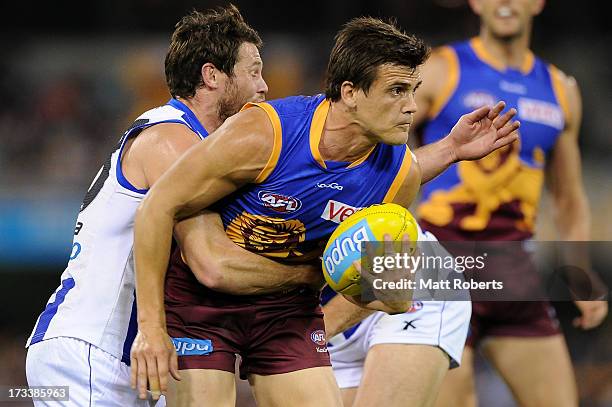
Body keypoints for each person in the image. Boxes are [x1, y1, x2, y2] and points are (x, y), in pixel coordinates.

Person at [130, 16, 520, 406]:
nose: (412, 108)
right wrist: (150, 327)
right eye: (397, 91)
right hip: (202, 306)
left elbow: (384, 297)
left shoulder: (399, 175)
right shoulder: (264, 133)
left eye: (414, 90)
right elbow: (157, 208)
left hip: (287, 311)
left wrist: (382, 294)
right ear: (350, 92)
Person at [25, 5, 324, 406]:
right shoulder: (172, 138)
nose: (265, 86)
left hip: (134, 358)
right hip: (95, 351)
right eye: (253, 71)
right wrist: (316, 272)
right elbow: (211, 262)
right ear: (212, 75)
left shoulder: (203, 148)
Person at [408, 1, 609, 406]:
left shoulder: (560, 90)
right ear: (475, 3)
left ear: (537, 4)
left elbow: (569, 198)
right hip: (440, 266)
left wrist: (580, 273)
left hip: (513, 270)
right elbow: (383, 151)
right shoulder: (439, 70)